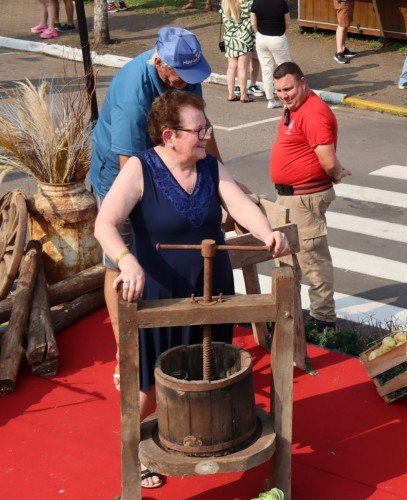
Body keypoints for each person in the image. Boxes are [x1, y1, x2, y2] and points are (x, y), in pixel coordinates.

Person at [95, 90, 288, 490]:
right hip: (159, 296)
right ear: (169, 136)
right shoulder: (140, 169)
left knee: (208, 370)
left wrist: (266, 232)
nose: (206, 135)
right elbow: (105, 224)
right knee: (149, 381)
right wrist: (127, 260)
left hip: (211, 292)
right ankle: (133, 456)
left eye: (206, 127)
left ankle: (202, 436)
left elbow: (240, 206)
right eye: (198, 130)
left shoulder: (211, 168)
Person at [270, 62, 351, 331]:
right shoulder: (294, 107)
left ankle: (322, 322)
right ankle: (291, 316)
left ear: (303, 82)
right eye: (279, 90)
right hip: (289, 198)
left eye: (289, 88)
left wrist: (337, 173)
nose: (284, 94)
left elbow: (328, 161)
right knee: (289, 259)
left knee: (313, 261)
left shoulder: (314, 112)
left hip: (305, 198)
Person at [251, 0, 292, 109]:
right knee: (285, 69)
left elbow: (253, 23)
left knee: (266, 69)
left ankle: (270, 100)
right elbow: (288, 22)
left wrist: (258, 33)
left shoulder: (256, 2)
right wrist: (280, 30)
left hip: (261, 38)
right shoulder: (281, 2)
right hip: (277, 38)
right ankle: (286, 99)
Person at [221, 0, 256, 103]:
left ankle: (231, 94)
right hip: (244, 37)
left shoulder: (224, 2)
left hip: (229, 38)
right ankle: (243, 95)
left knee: (231, 67)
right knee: (242, 67)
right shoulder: (247, 3)